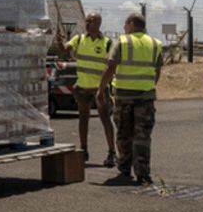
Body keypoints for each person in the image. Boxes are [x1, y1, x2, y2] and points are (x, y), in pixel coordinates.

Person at [99, 12, 162, 185]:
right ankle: (143, 172)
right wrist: (148, 86)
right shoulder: (156, 44)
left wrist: (101, 89)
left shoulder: (123, 41)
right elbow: (157, 71)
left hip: (124, 96)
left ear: (132, 24)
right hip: (146, 97)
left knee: (124, 133)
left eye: (125, 24)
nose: (124, 27)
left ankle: (125, 167)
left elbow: (110, 67)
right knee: (142, 136)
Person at [59, 12, 117, 166]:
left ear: (98, 23)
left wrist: (105, 87)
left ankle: (112, 152)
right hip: (83, 86)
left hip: (100, 88)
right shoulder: (79, 38)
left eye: (90, 20)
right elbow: (65, 48)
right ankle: (84, 149)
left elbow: (112, 65)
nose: (87, 22)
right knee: (83, 118)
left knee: (105, 118)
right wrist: (60, 42)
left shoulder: (107, 42)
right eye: (87, 20)